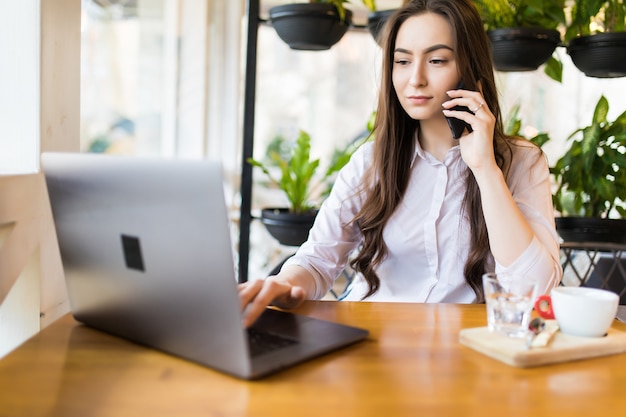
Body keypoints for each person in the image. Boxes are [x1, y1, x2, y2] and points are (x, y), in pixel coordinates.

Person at [239, 0, 562, 327]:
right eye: (403, 61)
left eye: (437, 60)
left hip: (464, 355)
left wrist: (484, 168)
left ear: (470, 69)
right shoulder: (370, 161)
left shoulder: (521, 162)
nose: (415, 79)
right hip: (371, 343)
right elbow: (318, 260)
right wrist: (283, 282)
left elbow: (532, 290)